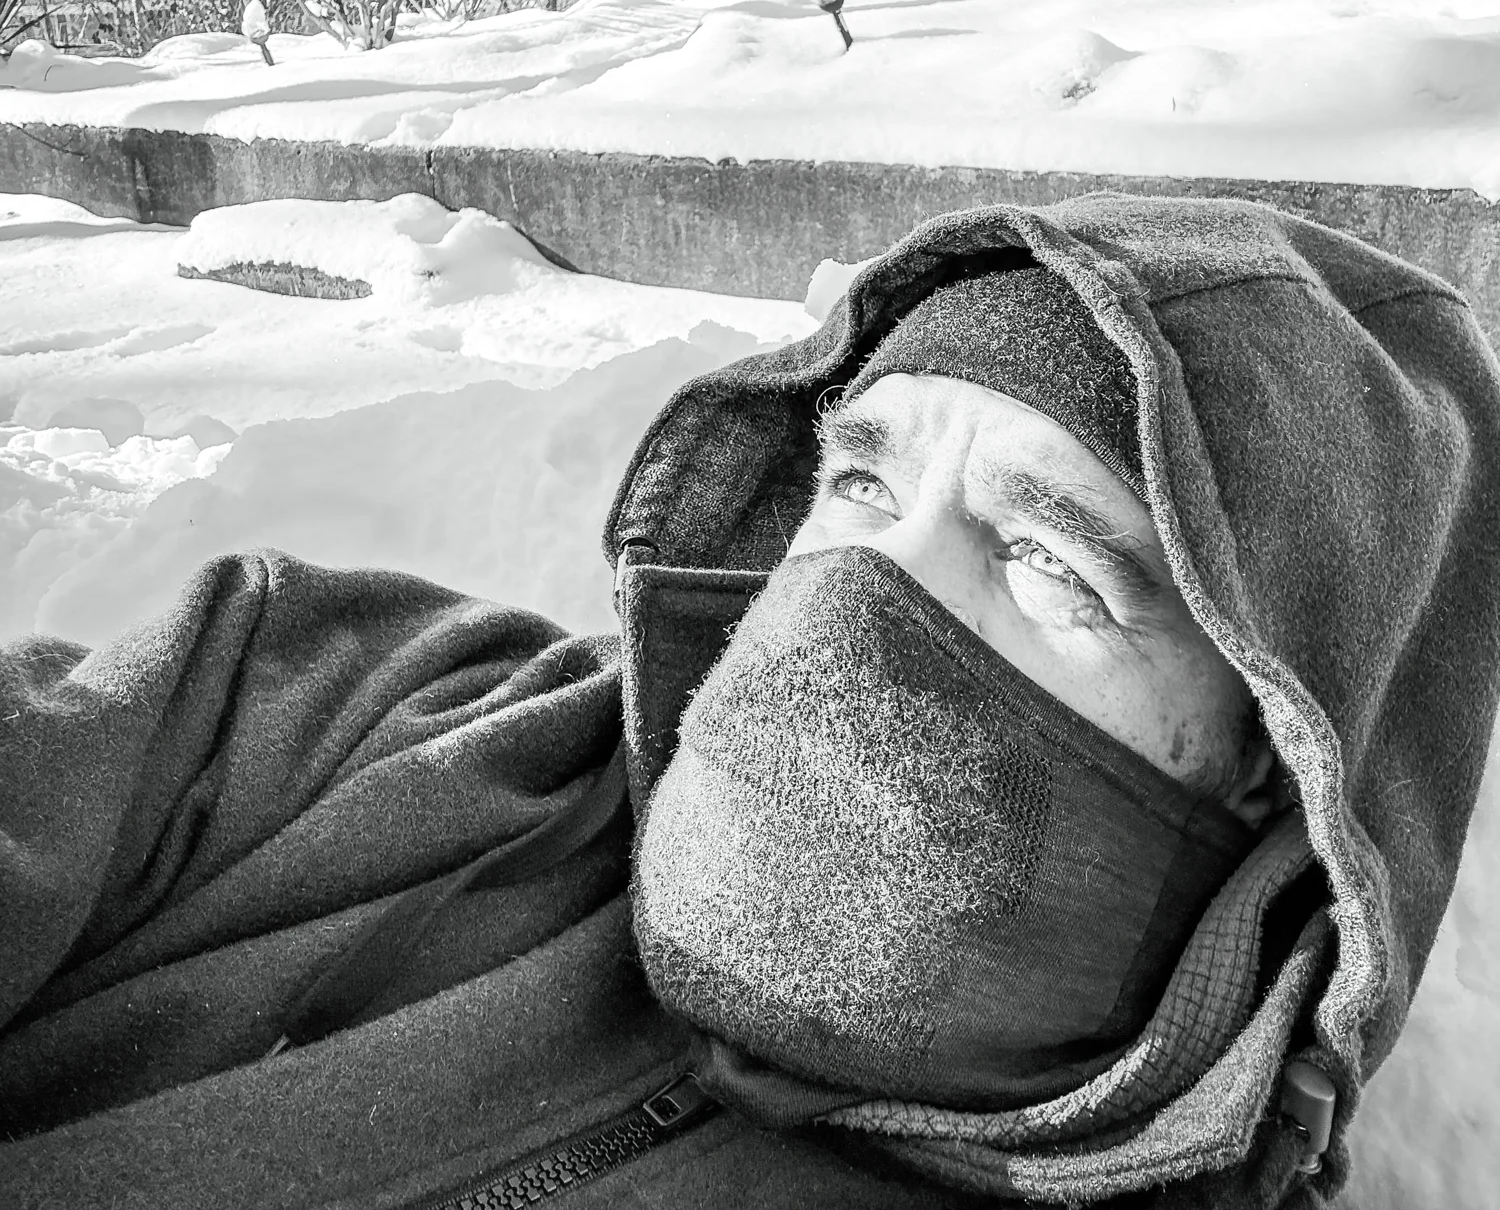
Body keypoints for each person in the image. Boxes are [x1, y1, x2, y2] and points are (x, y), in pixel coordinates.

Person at [1, 192, 1497, 1210]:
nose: (858, 590)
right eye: (863, 483)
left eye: (1050, 559)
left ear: (1271, 755)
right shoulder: (364, 706)